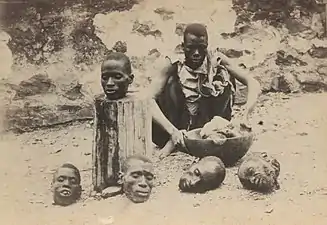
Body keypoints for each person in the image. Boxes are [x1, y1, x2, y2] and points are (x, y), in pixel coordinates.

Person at [150, 23, 261, 158]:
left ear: (207, 46)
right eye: (191, 48)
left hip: (207, 120)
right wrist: (172, 131)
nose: (196, 53)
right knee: (172, 85)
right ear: (183, 46)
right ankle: (175, 139)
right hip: (177, 121)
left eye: (201, 48)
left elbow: (252, 82)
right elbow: (148, 100)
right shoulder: (172, 62)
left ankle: (210, 135)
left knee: (223, 79)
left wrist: (246, 112)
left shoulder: (215, 57)